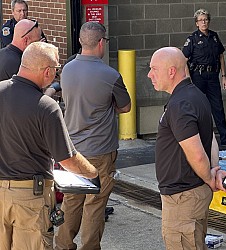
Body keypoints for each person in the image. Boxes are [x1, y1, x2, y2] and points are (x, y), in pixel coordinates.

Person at [0, 42, 98, 250]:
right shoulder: (46, 106)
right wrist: (93, 173)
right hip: (30, 198)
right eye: (56, 70)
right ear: (47, 72)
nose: (56, 75)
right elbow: (68, 159)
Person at [54, 21, 131, 250]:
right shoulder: (110, 75)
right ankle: (90, 247)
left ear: (80, 41)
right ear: (101, 43)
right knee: (95, 205)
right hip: (100, 151)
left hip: (72, 150)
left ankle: (63, 245)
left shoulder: (67, 69)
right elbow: (125, 107)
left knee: (71, 201)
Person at [148, 47, 226, 249]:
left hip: (183, 198)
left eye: (154, 69)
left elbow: (198, 154)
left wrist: (211, 178)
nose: (150, 75)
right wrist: (215, 170)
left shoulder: (181, 103)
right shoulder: (195, 95)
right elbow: (210, 139)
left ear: (171, 71)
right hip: (191, 193)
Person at [182, 9, 226, 150]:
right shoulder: (192, 39)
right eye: (201, 20)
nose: (204, 22)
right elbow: (184, 60)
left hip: (213, 76)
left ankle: (225, 138)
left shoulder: (214, 36)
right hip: (198, 77)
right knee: (200, 108)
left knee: (218, 107)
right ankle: (200, 139)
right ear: (196, 23)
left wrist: (224, 76)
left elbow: (221, 56)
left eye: (206, 19)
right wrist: (188, 80)